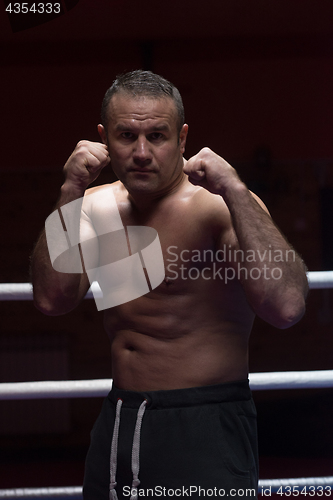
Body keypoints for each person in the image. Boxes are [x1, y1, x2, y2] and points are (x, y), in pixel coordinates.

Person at [31, 70, 308, 500]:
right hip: (122, 417)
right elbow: (52, 299)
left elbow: (286, 306)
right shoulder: (92, 206)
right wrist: (70, 188)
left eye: (157, 136)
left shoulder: (218, 206)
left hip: (206, 422)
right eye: (126, 135)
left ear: (181, 140)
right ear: (104, 138)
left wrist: (235, 190)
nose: (142, 152)